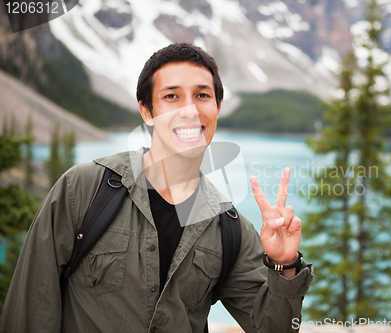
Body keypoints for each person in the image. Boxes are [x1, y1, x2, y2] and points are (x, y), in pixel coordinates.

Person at [0, 43, 314, 333]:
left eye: (202, 96)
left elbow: (274, 329)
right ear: (147, 111)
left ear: (218, 107)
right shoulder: (82, 189)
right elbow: (30, 310)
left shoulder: (229, 228)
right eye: (171, 96)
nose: (189, 110)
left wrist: (284, 265)